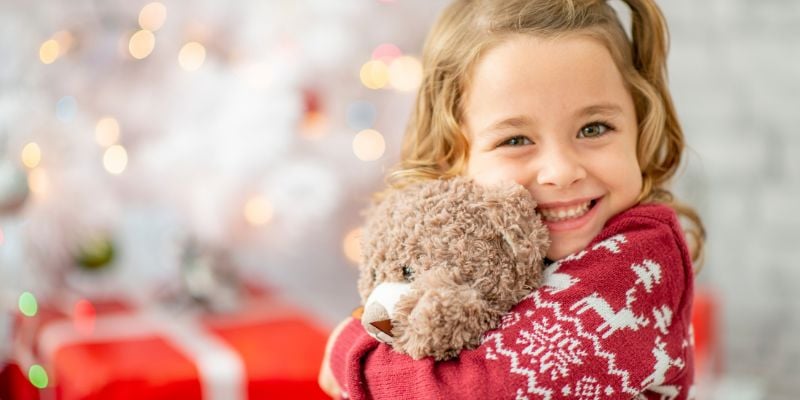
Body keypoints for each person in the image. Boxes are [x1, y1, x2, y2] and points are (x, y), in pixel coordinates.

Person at [319, 0, 706, 398]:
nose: (561, 171)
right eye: (516, 140)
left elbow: (484, 389)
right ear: (453, 155)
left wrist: (353, 357)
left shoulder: (639, 261)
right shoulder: (484, 254)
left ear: (640, 124)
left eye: (594, 129)